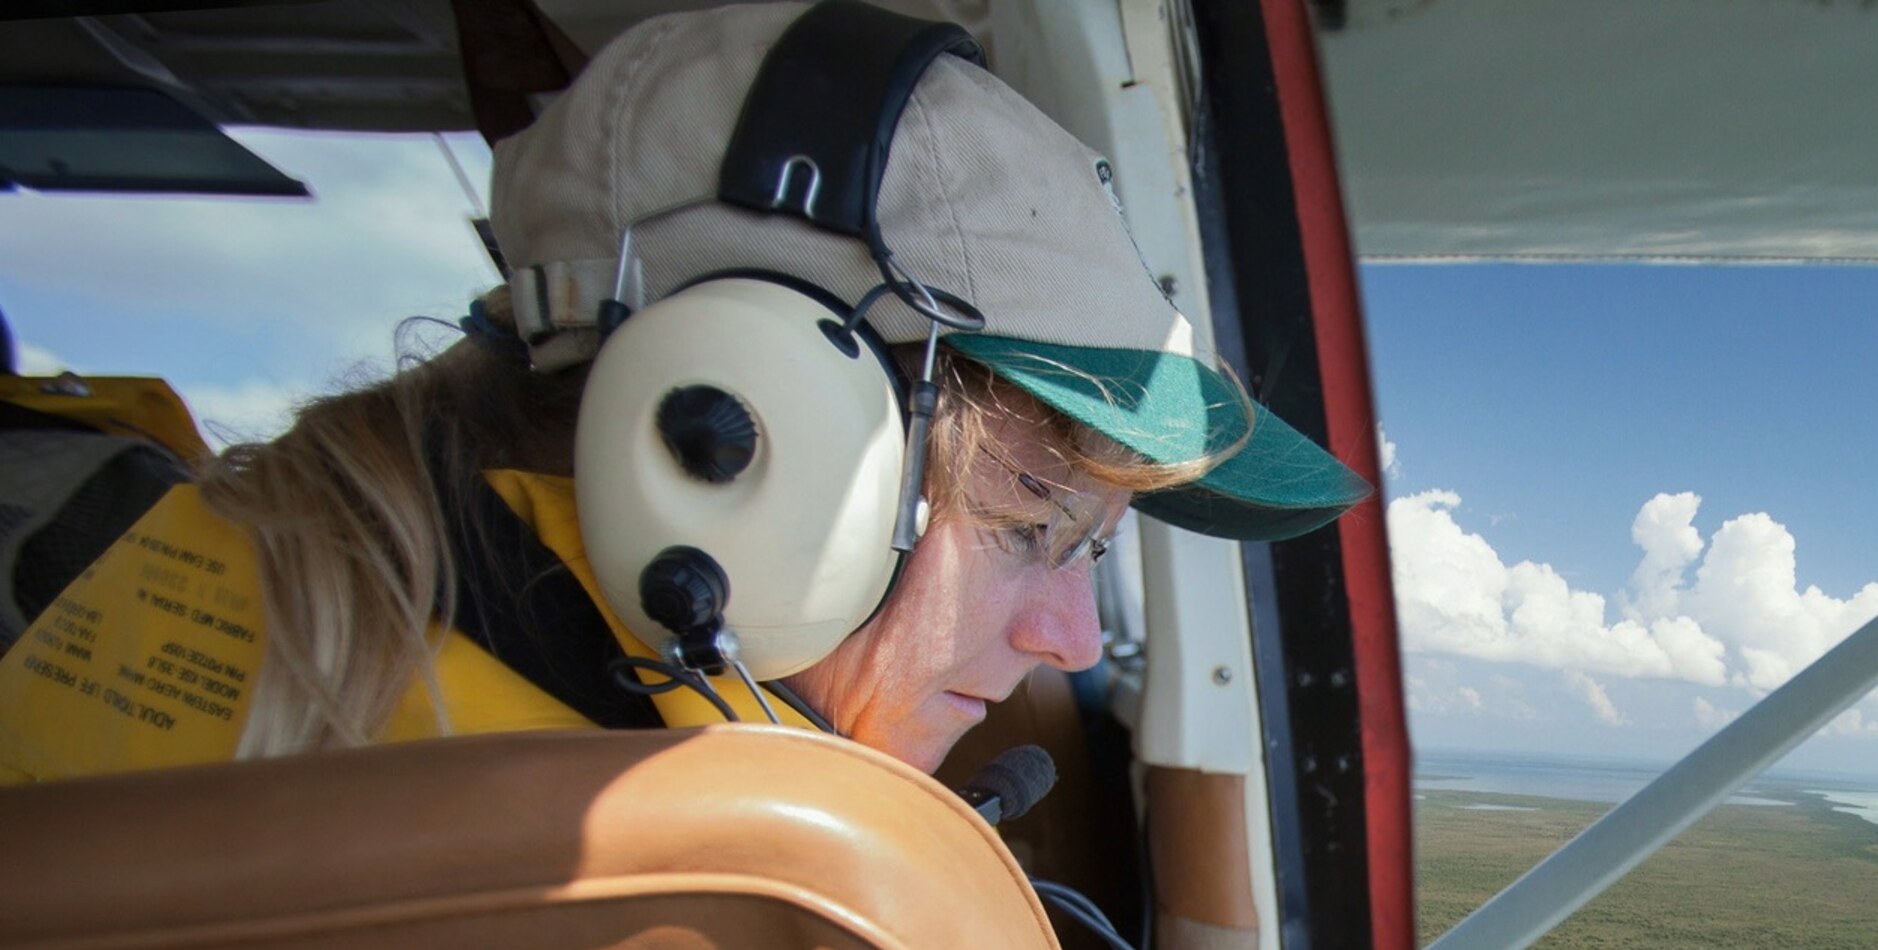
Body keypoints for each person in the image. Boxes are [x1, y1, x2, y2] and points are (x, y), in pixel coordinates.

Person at [0, 0, 1366, 788]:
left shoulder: (115, 566)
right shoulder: (713, 910)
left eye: (1093, 553)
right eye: (1030, 525)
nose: (1073, 636)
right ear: (742, 432)